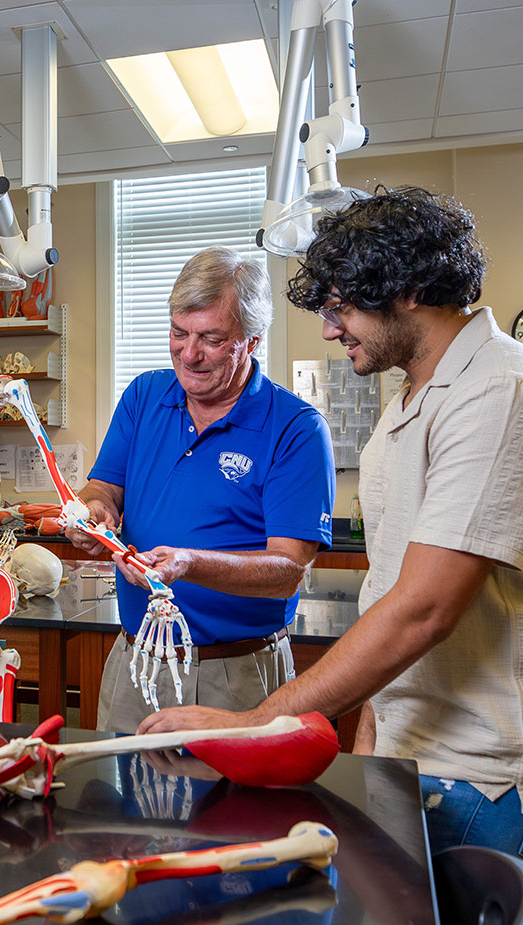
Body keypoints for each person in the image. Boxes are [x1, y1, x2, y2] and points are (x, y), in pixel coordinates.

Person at [144, 186, 523, 863]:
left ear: (410, 288)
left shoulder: (497, 393)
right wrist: (371, 741)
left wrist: (254, 724)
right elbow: (393, 593)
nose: (331, 329)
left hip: (485, 762)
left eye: (341, 307)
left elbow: (422, 609)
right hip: (417, 741)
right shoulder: (417, 394)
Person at [69, 245, 334, 732]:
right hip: (135, 660)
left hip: (236, 674)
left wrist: (189, 564)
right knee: (117, 805)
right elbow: (103, 487)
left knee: (234, 810)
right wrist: (94, 512)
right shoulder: (144, 397)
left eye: (211, 338)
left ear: (252, 341)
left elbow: (288, 569)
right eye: (178, 333)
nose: (188, 354)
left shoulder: (296, 429)